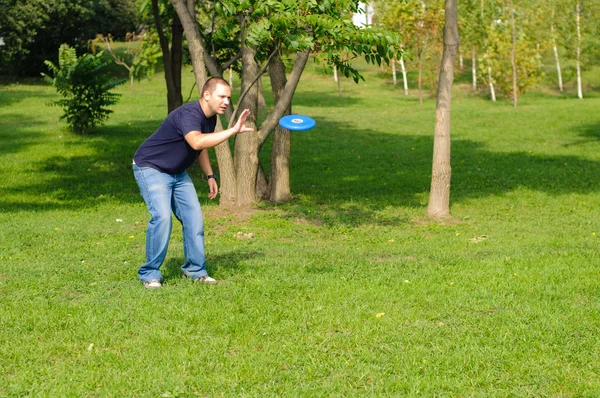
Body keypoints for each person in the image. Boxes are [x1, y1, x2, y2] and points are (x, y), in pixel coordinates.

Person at [132, 77, 252, 289]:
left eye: (228, 97)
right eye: (221, 96)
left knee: (194, 220)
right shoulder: (189, 114)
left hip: (177, 172)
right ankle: (150, 274)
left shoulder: (210, 117)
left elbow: (199, 147)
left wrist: (210, 175)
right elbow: (197, 141)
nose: (226, 101)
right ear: (207, 95)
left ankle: (195, 270)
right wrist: (233, 131)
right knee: (162, 218)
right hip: (151, 167)